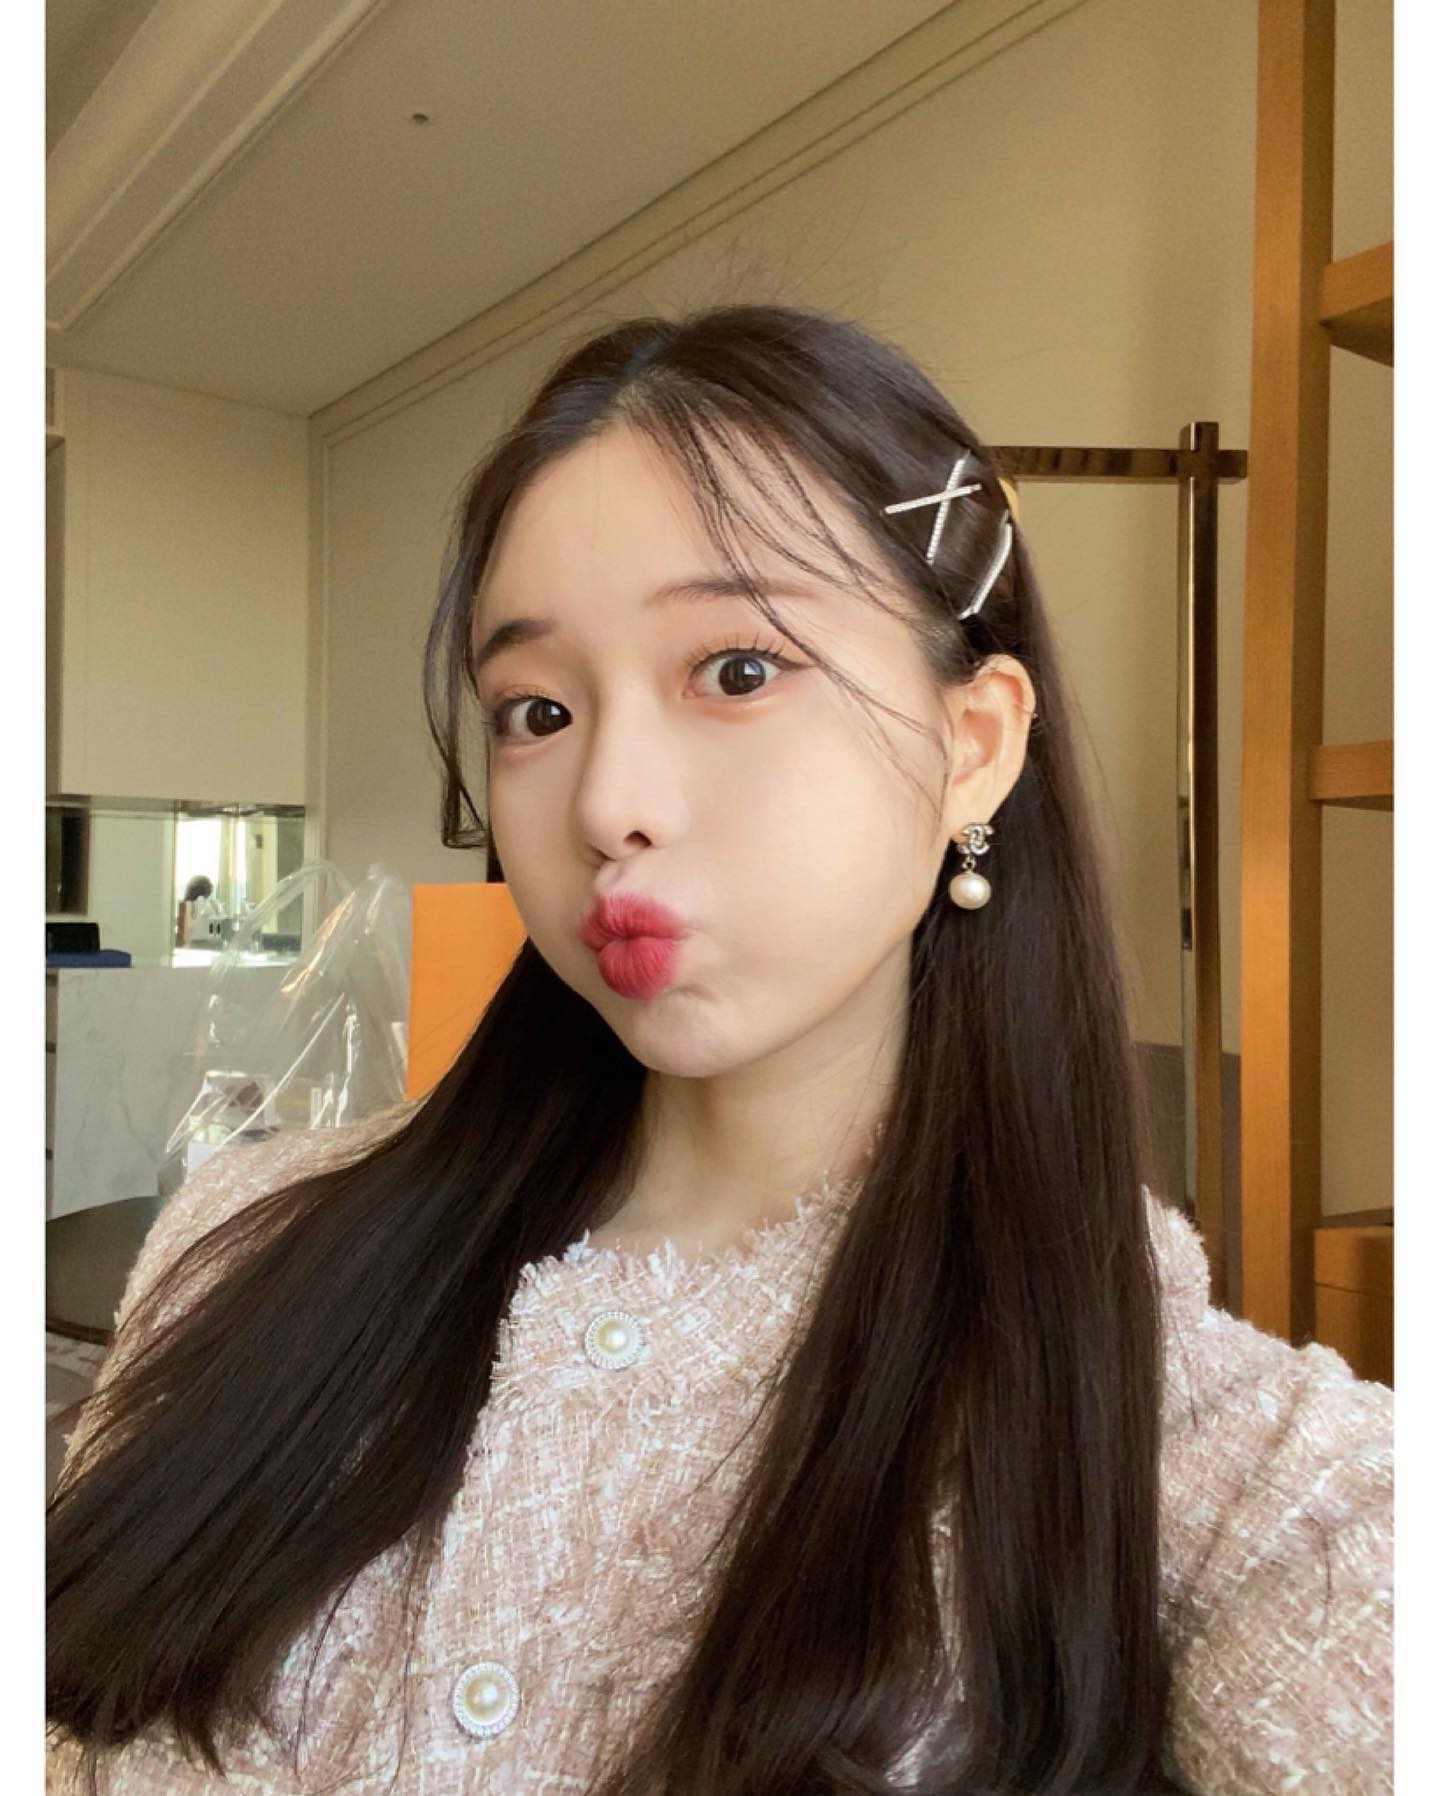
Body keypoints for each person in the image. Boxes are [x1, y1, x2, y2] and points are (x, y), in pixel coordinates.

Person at [45, 305, 1393, 1794]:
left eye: (739, 670)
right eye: (537, 710)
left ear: (974, 744)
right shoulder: (243, 1243)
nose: (606, 802)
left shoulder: (1170, 1436)